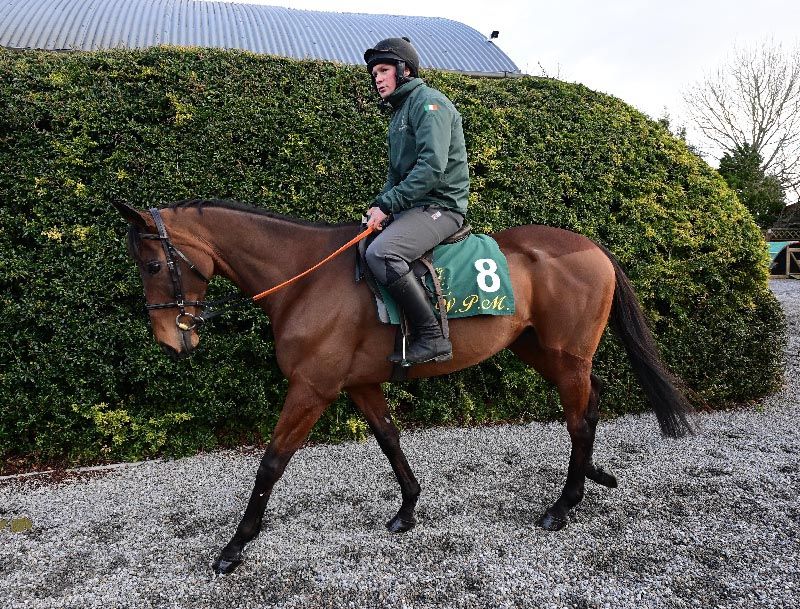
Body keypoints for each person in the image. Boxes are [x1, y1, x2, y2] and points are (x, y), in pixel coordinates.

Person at [363, 36, 470, 365]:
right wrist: (381, 205)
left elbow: (431, 169)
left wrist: (389, 204)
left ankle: (433, 338)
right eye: (374, 72)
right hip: (415, 207)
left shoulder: (429, 105)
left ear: (404, 70)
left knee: (383, 252)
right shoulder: (399, 115)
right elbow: (397, 173)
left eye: (383, 70)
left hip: (442, 207)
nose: (377, 78)